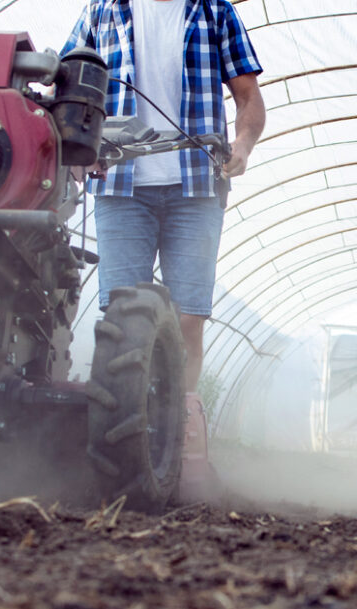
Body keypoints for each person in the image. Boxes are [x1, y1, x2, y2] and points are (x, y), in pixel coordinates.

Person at [62, 0, 265, 502]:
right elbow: (65, 89)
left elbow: (248, 96)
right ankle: (120, 440)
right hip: (120, 183)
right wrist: (74, 152)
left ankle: (177, 447)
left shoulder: (213, 11)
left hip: (196, 185)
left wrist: (243, 144)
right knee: (121, 321)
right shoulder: (102, 12)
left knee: (188, 319)